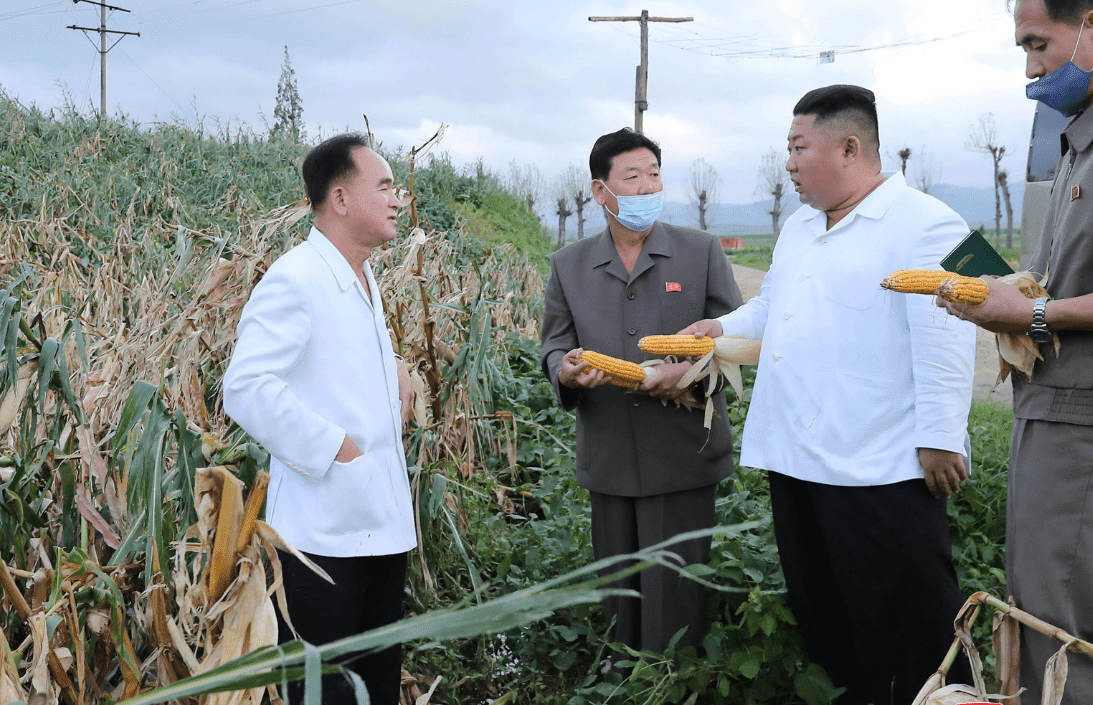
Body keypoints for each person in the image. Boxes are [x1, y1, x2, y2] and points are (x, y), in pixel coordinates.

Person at [681, 86, 975, 705]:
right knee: (827, 619)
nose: (787, 163)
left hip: (880, 466)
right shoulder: (798, 226)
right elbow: (774, 305)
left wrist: (942, 436)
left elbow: (947, 336)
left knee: (908, 627)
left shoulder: (930, 222)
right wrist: (720, 328)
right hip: (798, 457)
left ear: (849, 147)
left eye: (797, 147)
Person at [223, 133, 416, 705]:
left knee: (376, 688)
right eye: (383, 186)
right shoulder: (297, 277)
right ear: (340, 197)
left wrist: (395, 364)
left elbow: (337, 354)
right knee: (327, 694)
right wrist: (336, 448)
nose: (397, 199)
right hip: (322, 541)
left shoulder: (360, 274)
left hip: (378, 528)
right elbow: (246, 387)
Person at [937, 1, 1093, 701]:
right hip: (1053, 413)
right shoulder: (1071, 145)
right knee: (1038, 611)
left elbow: (1050, 304)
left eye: (1037, 44)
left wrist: (1027, 310)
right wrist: (1004, 298)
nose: (1029, 68)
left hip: (1080, 427)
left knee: (1062, 635)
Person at [540, 128, 743, 658]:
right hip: (609, 453)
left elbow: (737, 337)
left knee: (676, 596)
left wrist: (690, 371)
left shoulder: (699, 253)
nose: (648, 186)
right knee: (620, 591)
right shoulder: (569, 265)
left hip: (684, 451)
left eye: (654, 174)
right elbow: (555, 345)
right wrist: (566, 370)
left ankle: (674, 681)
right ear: (600, 191)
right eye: (632, 177)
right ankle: (621, 677)